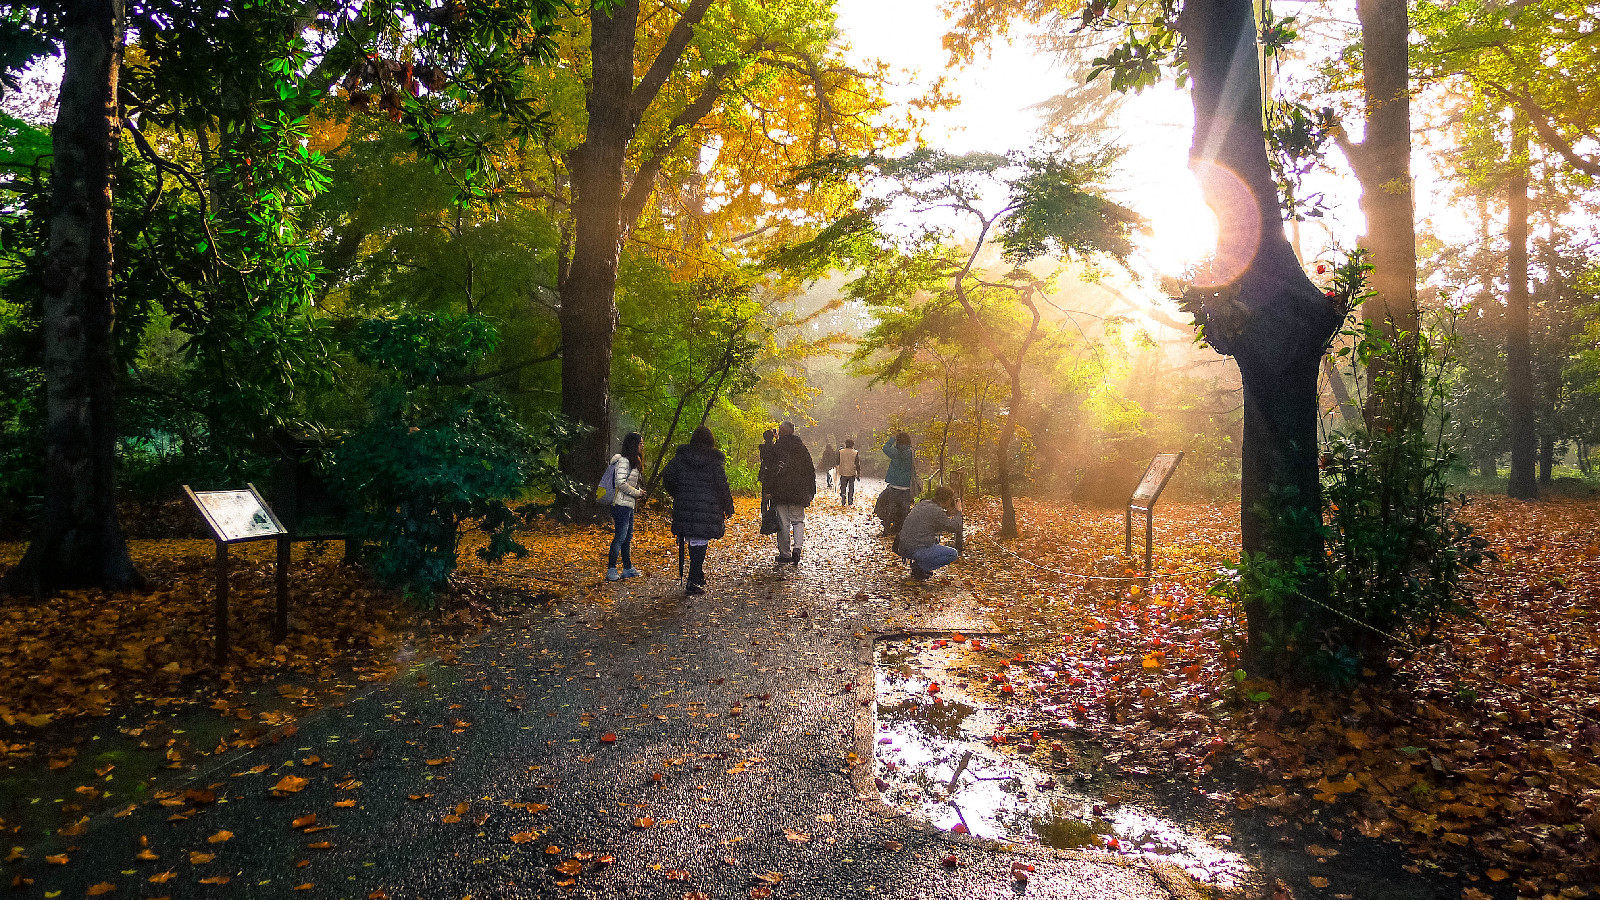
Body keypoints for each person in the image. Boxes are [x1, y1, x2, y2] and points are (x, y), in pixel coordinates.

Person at [662, 426, 736, 596]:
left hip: (686, 504)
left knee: (693, 539)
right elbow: (722, 485)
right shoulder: (714, 461)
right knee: (700, 540)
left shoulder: (680, 458)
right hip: (707, 506)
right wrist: (728, 506)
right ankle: (693, 578)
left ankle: (696, 575)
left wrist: (678, 493)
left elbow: (668, 477)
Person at [768, 421, 817, 564]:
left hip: (780, 491)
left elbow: (770, 470)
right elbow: (810, 470)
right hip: (798, 491)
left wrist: (769, 490)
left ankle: (785, 554)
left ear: (781, 432)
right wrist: (811, 490)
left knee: (783, 523)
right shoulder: (801, 448)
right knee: (798, 521)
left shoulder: (777, 448)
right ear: (793, 431)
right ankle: (797, 548)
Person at [897, 485, 962, 579]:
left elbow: (935, 518)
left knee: (935, 540)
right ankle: (920, 567)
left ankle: (920, 565)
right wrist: (959, 512)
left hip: (903, 547)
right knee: (952, 554)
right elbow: (955, 527)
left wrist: (949, 512)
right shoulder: (936, 511)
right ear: (948, 500)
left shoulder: (923, 503)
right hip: (915, 549)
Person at [605, 431, 646, 582]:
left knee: (627, 537)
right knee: (620, 536)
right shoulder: (623, 461)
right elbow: (620, 483)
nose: (642, 446)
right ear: (633, 444)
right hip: (620, 504)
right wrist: (637, 492)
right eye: (640, 443)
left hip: (628, 504)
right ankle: (611, 569)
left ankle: (628, 568)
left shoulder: (633, 460)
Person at [877, 431, 915, 534]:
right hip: (906, 486)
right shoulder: (911, 453)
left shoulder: (895, 452)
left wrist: (892, 438)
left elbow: (885, 448)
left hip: (894, 485)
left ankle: (887, 528)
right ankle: (901, 530)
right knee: (904, 510)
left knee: (891, 508)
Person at [757, 428, 777, 521]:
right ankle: (772, 514)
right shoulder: (775, 447)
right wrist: (777, 438)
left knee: (764, 494)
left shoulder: (762, 447)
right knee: (773, 494)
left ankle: (764, 514)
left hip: (764, 472)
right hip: (773, 473)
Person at [837, 439, 860, 505]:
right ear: (853, 445)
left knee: (843, 486)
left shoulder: (841, 452)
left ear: (845, 444)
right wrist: (858, 473)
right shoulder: (855, 452)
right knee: (851, 487)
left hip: (843, 472)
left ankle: (843, 496)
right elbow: (857, 464)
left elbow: (837, 461)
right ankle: (850, 500)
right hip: (852, 472)